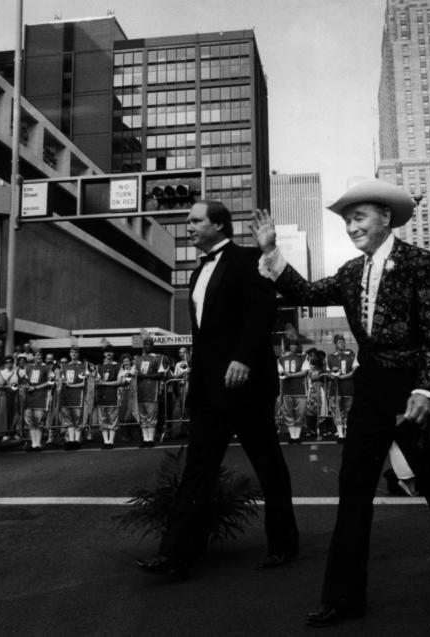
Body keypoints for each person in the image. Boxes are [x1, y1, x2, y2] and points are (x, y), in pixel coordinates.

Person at [252, 179, 430, 626]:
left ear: (385, 218)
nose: (351, 226)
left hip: (412, 393)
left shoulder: (419, 263)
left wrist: (427, 389)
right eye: (347, 220)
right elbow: (307, 294)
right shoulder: (352, 272)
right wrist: (272, 253)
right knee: (352, 492)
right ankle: (343, 598)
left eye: (359, 217)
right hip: (370, 393)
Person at [136, 199, 298, 579]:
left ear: (219, 225)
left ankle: (284, 543)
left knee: (268, 464)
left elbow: (263, 312)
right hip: (210, 391)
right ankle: (175, 555)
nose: (187, 226)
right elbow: (204, 338)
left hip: (247, 385)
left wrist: (243, 358)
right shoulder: (196, 274)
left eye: (195, 221)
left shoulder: (246, 260)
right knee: (198, 469)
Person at [132, 336, 168, 448]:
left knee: (151, 416)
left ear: (152, 345)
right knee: (143, 416)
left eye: (149, 344)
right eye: (145, 344)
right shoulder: (138, 359)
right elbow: (133, 373)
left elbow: (161, 374)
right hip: (140, 391)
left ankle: (151, 439)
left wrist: (144, 376)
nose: (147, 346)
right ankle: (145, 439)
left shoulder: (158, 358)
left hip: (152, 390)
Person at [326, 335, 357, 443]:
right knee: (336, 411)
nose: (341, 343)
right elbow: (327, 372)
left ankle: (348, 434)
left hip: (349, 387)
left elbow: (355, 371)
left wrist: (345, 376)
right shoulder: (330, 357)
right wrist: (332, 374)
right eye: (339, 342)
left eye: (343, 341)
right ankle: (340, 435)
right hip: (335, 388)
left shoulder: (352, 355)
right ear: (335, 344)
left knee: (349, 411)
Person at [278, 341, 310, 443]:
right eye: (291, 344)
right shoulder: (281, 359)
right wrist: (284, 374)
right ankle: (293, 436)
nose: (293, 346)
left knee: (300, 413)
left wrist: (291, 375)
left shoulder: (304, 357)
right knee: (288, 413)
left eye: (295, 345)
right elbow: (280, 372)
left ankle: (298, 435)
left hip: (300, 389)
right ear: (288, 346)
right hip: (287, 390)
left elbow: (305, 372)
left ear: (298, 346)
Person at [59, 346, 87, 450]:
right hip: (66, 396)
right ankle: (71, 441)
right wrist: (62, 382)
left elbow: (84, 383)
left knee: (78, 419)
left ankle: (77, 440)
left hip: (78, 396)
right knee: (68, 420)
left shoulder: (83, 366)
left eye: (76, 352)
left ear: (78, 354)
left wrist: (72, 386)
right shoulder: (64, 366)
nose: (74, 354)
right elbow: (61, 379)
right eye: (72, 352)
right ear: (69, 354)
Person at [95, 348, 124, 449]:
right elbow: (96, 381)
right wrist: (99, 382)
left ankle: (111, 441)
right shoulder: (99, 367)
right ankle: (105, 441)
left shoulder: (118, 366)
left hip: (113, 396)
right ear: (104, 354)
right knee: (103, 419)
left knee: (113, 419)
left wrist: (104, 383)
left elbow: (119, 381)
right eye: (107, 352)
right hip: (102, 396)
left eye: (110, 352)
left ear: (113, 353)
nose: (108, 353)